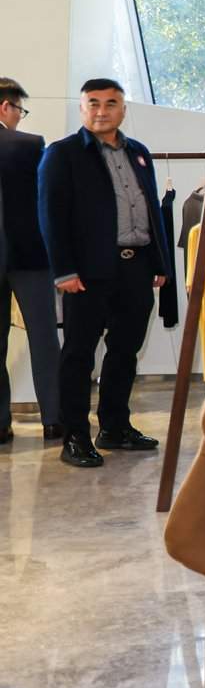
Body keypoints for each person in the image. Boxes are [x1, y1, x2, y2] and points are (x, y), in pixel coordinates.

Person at [38, 79, 174, 468]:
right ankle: (75, 436)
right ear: (82, 109)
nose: (102, 111)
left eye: (111, 103)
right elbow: (50, 216)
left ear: (123, 109)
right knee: (79, 355)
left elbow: (151, 209)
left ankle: (114, 427)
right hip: (86, 273)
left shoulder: (139, 153)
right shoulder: (62, 154)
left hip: (137, 267)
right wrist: (63, 271)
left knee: (125, 351)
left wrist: (160, 264)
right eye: (93, 103)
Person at [0, 78, 61, 443]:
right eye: (20, 111)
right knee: (43, 339)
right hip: (30, 255)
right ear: (5, 107)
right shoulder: (30, 144)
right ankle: (54, 419)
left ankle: (0, 424)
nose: (19, 118)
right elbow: (47, 201)